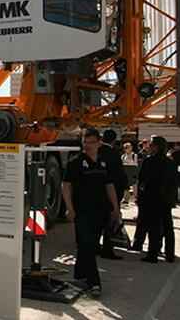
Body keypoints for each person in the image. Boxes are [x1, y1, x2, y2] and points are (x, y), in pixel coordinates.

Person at [62, 128, 121, 298]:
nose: (87, 146)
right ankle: (94, 282)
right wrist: (70, 207)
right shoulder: (75, 163)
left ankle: (80, 274)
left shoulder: (103, 163)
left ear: (99, 143)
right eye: (84, 143)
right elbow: (66, 186)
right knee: (87, 244)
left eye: (90, 143)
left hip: (101, 210)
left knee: (89, 244)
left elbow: (109, 185)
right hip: (82, 210)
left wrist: (115, 207)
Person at [138, 136, 177, 263]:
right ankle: (170, 253)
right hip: (166, 198)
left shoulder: (149, 162)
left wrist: (141, 197)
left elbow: (143, 181)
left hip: (152, 198)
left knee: (154, 227)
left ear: (155, 147)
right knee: (168, 226)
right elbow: (174, 181)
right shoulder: (170, 163)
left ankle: (153, 254)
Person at [99, 129, 128, 259]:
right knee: (109, 222)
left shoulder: (96, 152)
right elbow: (119, 174)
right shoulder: (113, 153)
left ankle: (93, 246)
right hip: (111, 192)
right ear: (114, 140)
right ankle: (107, 248)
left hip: (96, 192)